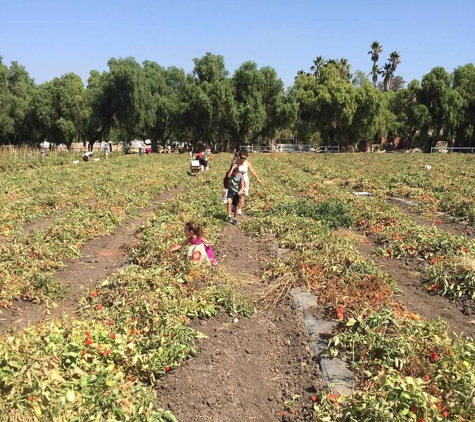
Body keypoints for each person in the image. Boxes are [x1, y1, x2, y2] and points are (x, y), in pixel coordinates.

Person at [235, 149, 262, 215]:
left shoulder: (247, 163)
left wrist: (258, 179)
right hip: (236, 180)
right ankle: (235, 205)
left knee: (242, 195)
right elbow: (231, 170)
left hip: (244, 181)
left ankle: (239, 209)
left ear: (246, 157)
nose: (242, 159)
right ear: (239, 156)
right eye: (241, 158)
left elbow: (253, 171)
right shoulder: (236, 162)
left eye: (244, 158)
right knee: (236, 194)